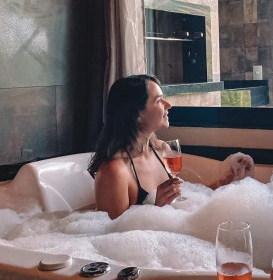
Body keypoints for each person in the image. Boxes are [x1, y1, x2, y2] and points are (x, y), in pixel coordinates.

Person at [88, 74, 255, 220]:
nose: (168, 105)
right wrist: (156, 208)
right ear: (138, 114)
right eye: (159, 100)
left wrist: (231, 181)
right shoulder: (114, 172)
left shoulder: (163, 152)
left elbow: (189, 200)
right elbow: (112, 237)